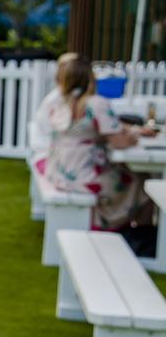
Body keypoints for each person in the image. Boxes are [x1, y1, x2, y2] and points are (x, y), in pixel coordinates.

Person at [43, 56, 157, 244]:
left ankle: (125, 228)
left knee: (125, 173)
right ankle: (139, 237)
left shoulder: (59, 102)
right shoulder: (95, 103)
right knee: (143, 182)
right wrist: (133, 137)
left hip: (59, 171)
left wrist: (127, 131)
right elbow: (119, 141)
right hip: (84, 175)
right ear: (90, 78)